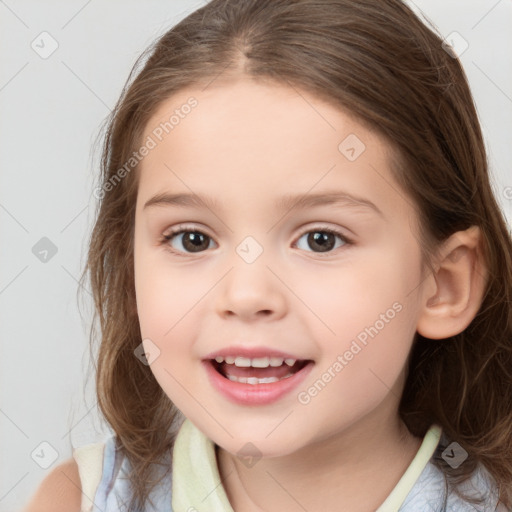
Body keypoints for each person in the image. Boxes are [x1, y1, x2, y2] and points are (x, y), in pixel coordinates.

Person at [24, 0, 512, 510]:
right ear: (131, 275)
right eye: (192, 239)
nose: (246, 294)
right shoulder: (78, 500)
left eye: (321, 239)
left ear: (444, 286)